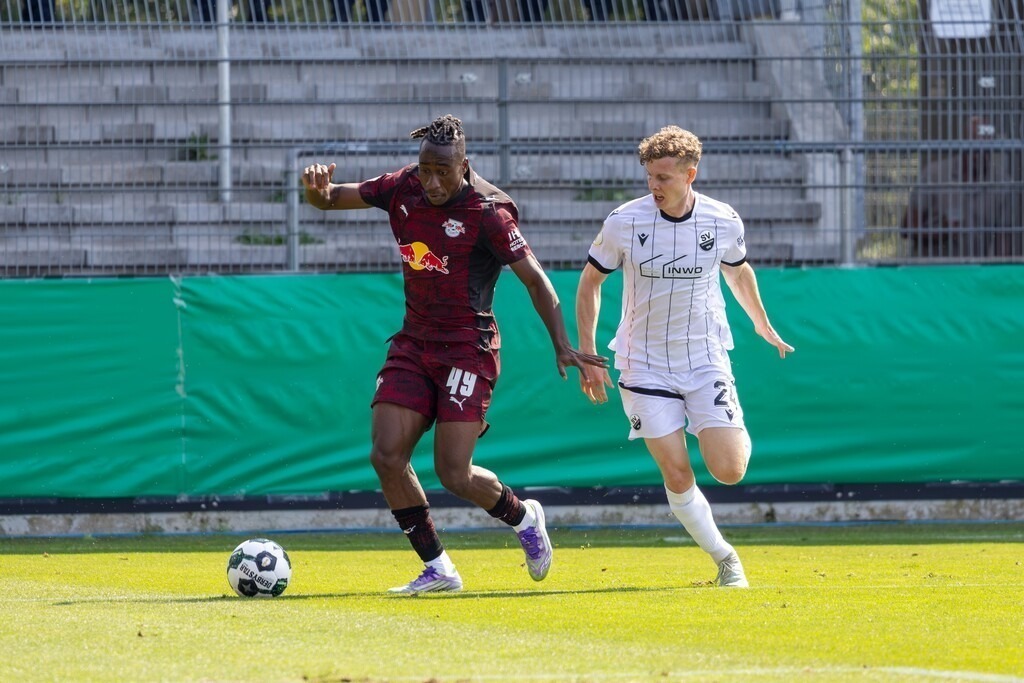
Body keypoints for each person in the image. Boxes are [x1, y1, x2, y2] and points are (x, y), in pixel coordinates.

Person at [301, 114, 607, 595]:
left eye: (444, 170)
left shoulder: (488, 211)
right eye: (426, 169)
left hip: (469, 349)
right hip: (414, 343)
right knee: (386, 455)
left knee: (453, 472)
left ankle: (524, 517)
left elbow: (536, 281)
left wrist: (562, 344)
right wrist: (315, 190)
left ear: (465, 165)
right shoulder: (401, 187)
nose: (433, 180)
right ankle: (439, 568)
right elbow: (330, 199)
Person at [575, 125, 793, 588]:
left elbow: (738, 272)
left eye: (664, 178)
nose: (654, 186)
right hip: (643, 362)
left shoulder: (722, 219)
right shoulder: (624, 222)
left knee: (730, 471)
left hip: (705, 357)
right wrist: (589, 354)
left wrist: (761, 322)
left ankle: (726, 420)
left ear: (690, 174)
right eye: (650, 177)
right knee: (676, 470)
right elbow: (590, 283)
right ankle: (725, 558)